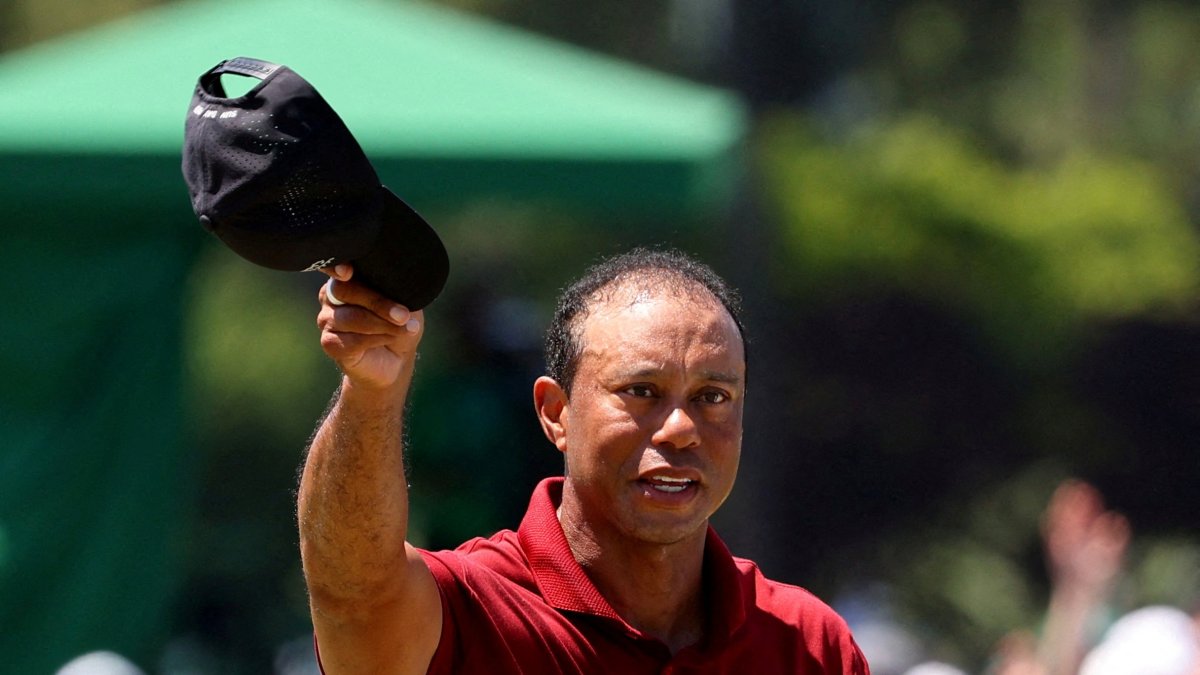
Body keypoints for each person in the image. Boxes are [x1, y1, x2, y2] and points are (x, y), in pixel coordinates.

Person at [297, 248, 869, 674]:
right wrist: (370, 391)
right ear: (556, 413)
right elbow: (352, 593)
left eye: (713, 397)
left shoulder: (807, 643)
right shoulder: (469, 611)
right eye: (641, 391)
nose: (680, 428)